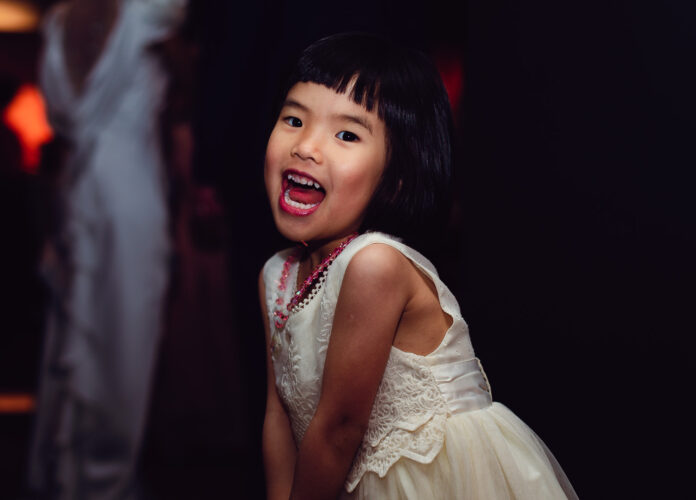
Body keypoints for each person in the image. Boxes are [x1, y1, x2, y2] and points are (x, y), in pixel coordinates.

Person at [259, 33, 578, 500]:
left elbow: (339, 429)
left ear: (398, 174)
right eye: (293, 119)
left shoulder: (375, 265)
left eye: (346, 134)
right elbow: (278, 416)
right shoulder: (277, 275)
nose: (306, 146)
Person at [28, 0, 185, 498]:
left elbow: (61, 119)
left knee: (90, 338)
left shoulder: (56, 23)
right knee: (125, 343)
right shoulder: (149, 8)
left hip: (80, 191)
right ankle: (106, 480)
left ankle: (76, 474)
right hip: (130, 197)